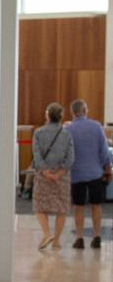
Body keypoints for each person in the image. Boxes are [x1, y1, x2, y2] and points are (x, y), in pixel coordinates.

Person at [65, 99, 111, 249]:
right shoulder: (96, 127)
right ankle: (96, 236)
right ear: (85, 110)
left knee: (78, 206)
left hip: (76, 173)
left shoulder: (68, 130)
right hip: (95, 173)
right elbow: (104, 151)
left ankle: (79, 238)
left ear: (72, 112)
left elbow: (66, 153)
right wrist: (107, 168)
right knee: (96, 205)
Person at [31, 103, 74, 250]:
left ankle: (46, 233)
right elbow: (70, 158)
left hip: (44, 175)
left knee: (39, 206)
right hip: (62, 177)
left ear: (48, 115)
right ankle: (56, 241)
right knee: (61, 208)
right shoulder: (67, 134)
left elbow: (36, 154)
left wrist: (45, 172)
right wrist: (59, 174)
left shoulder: (38, 133)